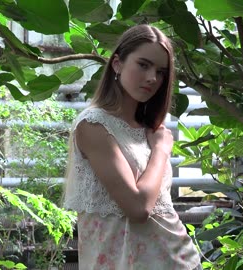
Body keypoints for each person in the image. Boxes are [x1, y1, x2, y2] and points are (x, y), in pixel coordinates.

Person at [63, 24, 202, 270]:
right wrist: (160, 150)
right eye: (143, 65)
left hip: (176, 259)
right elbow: (138, 208)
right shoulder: (94, 125)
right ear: (117, 64)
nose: (152, 78)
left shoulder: (148, 128)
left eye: (161, 72)